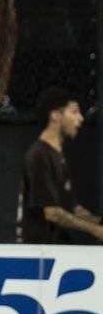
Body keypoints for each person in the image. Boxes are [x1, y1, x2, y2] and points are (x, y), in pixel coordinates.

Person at [18, 87, 103, 245]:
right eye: (74, 112)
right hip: (42, 252)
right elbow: (52, 213)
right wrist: (95, 230)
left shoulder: (58, 156)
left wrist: (98, 222)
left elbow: (72, 209)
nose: (81, 119)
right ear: (56, 116)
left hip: (58, 249)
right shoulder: (40, 156)